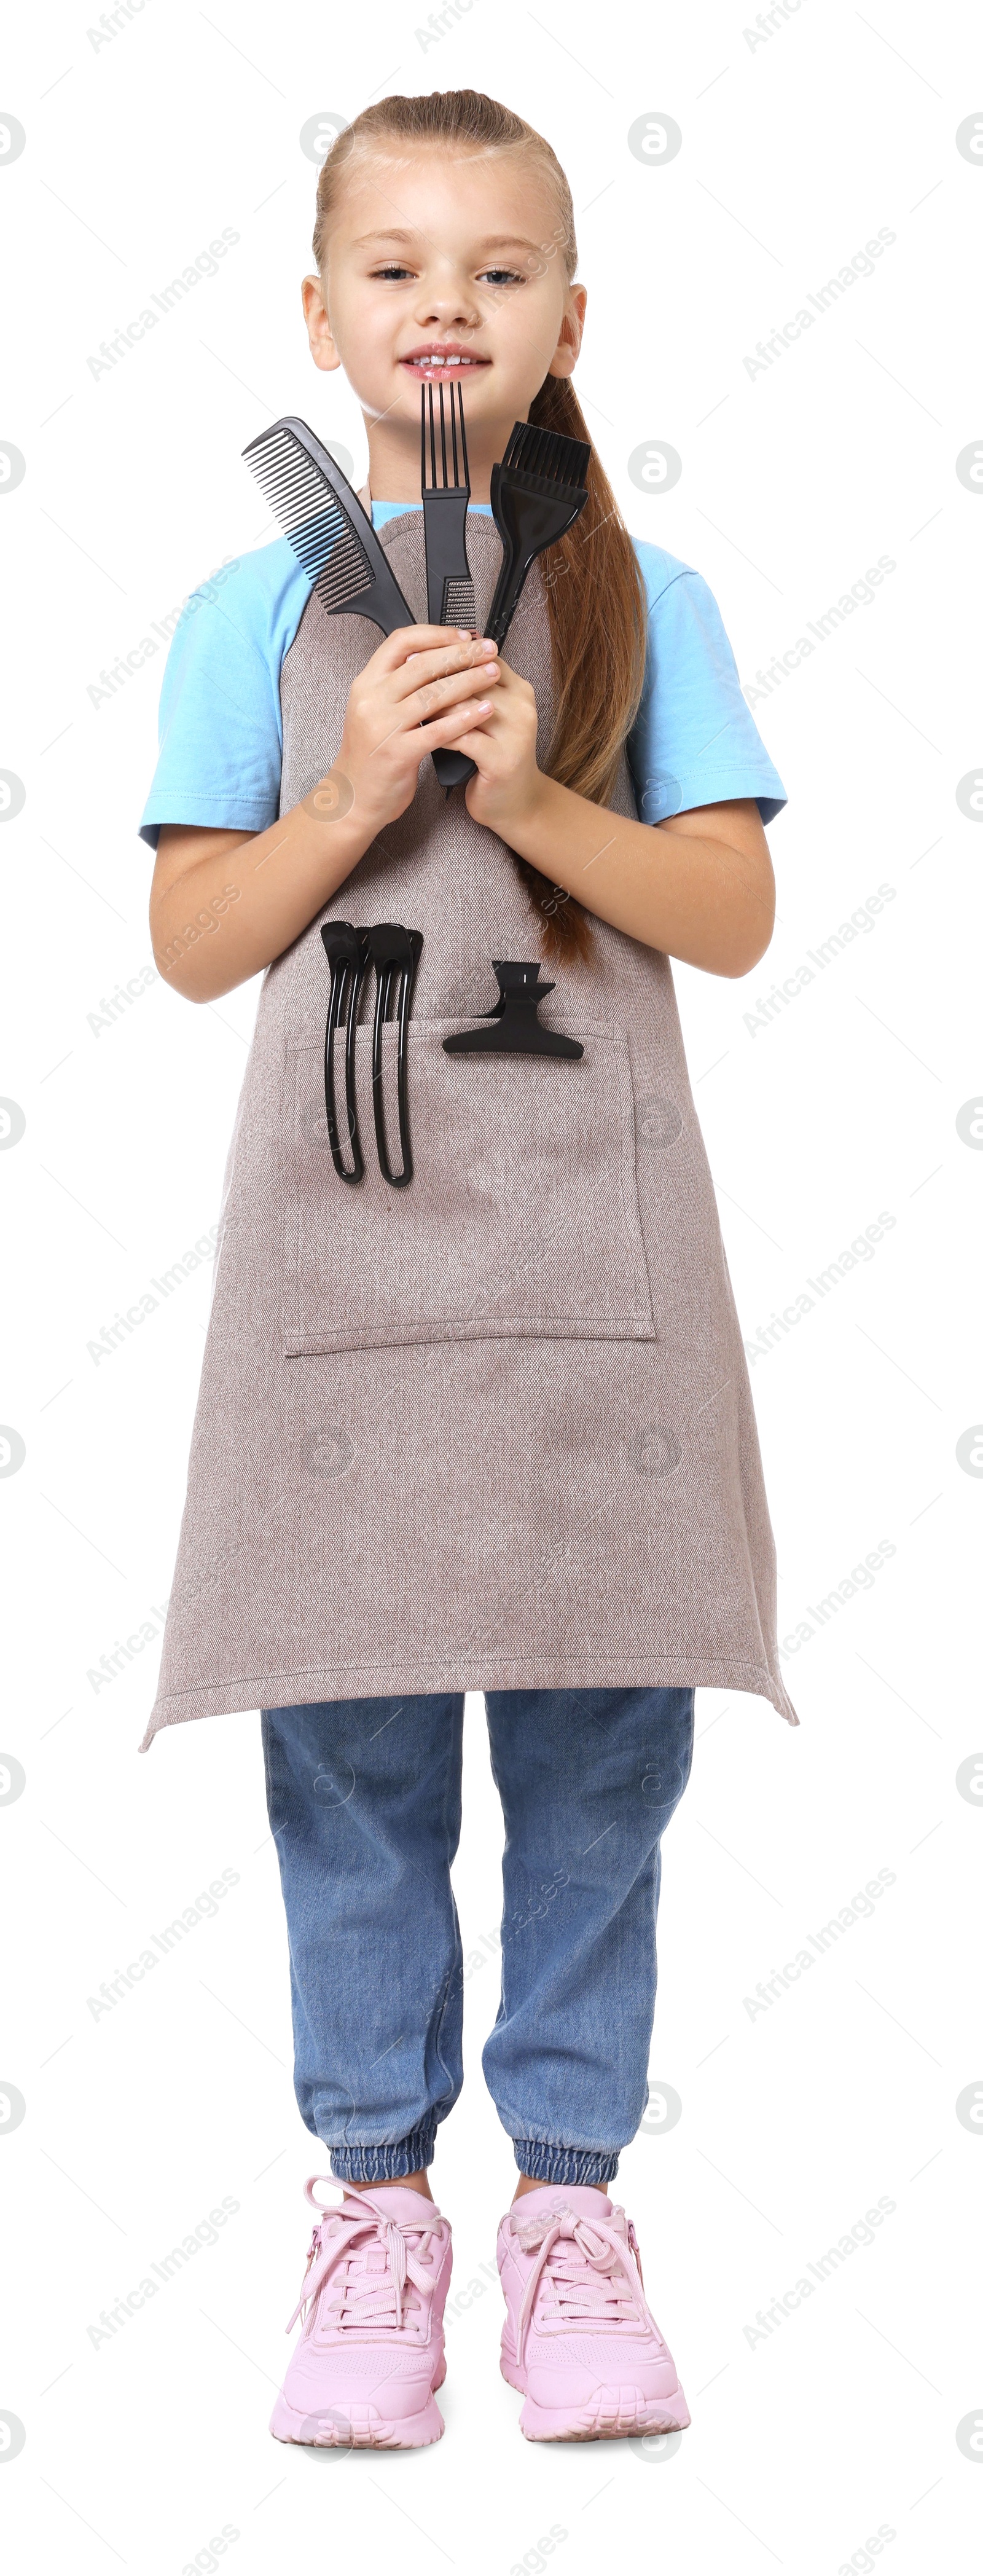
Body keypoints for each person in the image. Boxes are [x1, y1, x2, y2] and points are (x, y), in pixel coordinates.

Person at [138, 88, 796, 2449]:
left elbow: (724, 914)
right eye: (397, 266)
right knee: (355, 1752)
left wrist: (524, 792)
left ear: (568, 322)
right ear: (319, 317)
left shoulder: (645, 599)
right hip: (352, 1286)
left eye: (499, 269)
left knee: (605, 1753)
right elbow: (198, 947)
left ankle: (574, 2219)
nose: (446, 304)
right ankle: (375, 2212)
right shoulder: (256, 609)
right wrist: (344, 803)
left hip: (597, 1286)